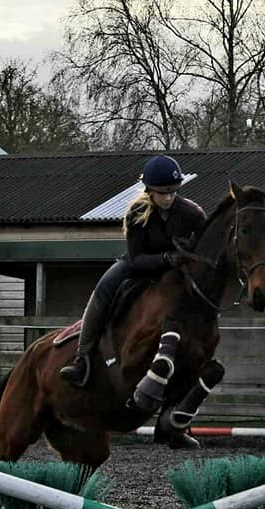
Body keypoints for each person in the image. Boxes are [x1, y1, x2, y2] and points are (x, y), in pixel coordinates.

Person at [60, 154, 207, 387]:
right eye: (162, 193)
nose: (168, 197)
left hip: (179, 269)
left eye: (173, 191)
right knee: (104, 286)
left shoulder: (193, 214)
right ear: (150, 190)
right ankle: (83, 358)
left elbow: (203, 253)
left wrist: (188, 254)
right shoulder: (137, 213)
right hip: (140, 265)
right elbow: (137, 259)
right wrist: (168, 258)